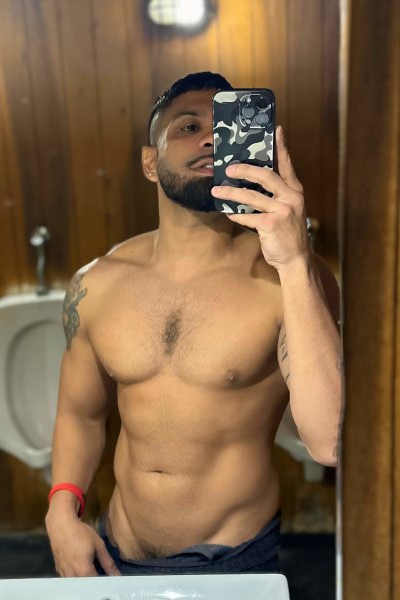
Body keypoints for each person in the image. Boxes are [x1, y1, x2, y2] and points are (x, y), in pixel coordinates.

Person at [45, 72, 342, 577]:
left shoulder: (290, 280)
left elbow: (329, 442)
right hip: (114, 549)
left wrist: (293, 261)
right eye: (188, 126)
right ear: (150, 162)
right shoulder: (97, 282)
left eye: (225, 127)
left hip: (233, 557)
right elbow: (81, 414)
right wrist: (61, 509)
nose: (210, 139)